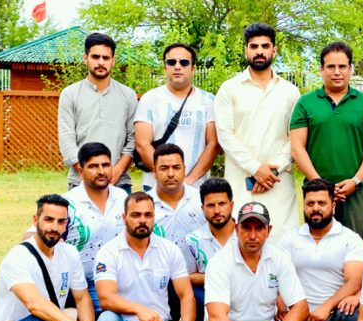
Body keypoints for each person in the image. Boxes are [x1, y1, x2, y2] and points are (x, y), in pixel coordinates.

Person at [95, 192, 197, 321]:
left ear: (154, 217)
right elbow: (105, 298)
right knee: (106, 320)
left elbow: (186, 295)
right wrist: (138, 310)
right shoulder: (109, 251)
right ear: (124, 218)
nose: (142, 220)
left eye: (148, 215)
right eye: (136, 215)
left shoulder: (169, 249)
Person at [214, 23, 300, 241]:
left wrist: (273, 171)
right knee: (241, 243)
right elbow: (225, 135)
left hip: (278, 182)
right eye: (254, 46)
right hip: (241, 181)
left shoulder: (290, 92)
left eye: (265, 46)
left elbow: (297, 137)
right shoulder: (229, 88)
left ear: (274, 50)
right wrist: (254, 168)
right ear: (246, 50)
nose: (259, 51)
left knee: (282, 244)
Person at [290, 41, 363, 240]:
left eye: (342, 66)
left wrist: (356, 181)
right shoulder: (305, 103)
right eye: (331, 67)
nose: (337, 72)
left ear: (350, 69)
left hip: (353, 191)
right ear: (321, 69)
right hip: (317, 192)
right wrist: (321, 184)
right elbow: (297, 148)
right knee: (316, 245)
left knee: (354, 245)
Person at [278, 178, 363, 321]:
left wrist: (326, 307)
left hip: (333, 316)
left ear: (333, 206)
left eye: (322, 203)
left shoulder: (350, 239)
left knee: (351, 311)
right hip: (297, 317)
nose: (315, 208)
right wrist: (282, 303)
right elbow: (277, 277)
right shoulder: (289, 239)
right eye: (310, 203)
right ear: (303, 206)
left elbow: (354, 282)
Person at [58, 32, 137, 194]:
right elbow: (67, 138)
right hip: (79, 182)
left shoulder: (128, 95)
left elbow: (133, 139)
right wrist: (87, 171)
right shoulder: (70, 94)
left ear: (113, 61)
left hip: (119, 182)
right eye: (95, 57)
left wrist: (115, 171)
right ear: (85, 58)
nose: (101, 62)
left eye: (106, 58)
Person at [135, 43, 219, 190]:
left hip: (196, 186)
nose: (177, 66)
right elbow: (142, 144)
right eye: (171, 62)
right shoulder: (150, 99)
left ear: (193, 68)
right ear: (165, 67)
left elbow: (213, 144)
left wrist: (189, 180)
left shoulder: (208, 101)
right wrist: (165, 175)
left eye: (184, 62)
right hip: (156, 186)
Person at [61, 142, 127, 316]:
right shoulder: (68, 203)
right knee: (115, 315)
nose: (101, 171)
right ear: (80, 171)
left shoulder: (122, 197)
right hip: (84, 282)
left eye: (105, 165)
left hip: (123, 278)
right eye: (93, 166)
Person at [146, 143, 206, 321]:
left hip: (194, 280)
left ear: (184, 169)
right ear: (154, 171)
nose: (171, 174)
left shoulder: (201, 201)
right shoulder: (144, 206)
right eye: (164, 168)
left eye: (176, 168)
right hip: (154, 280)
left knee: (199, 298)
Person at [182, 177, 236, 321]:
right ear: (203, 208)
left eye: (222, 204)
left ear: (231, 205)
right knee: (194, 295)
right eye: (211, 205)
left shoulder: (246, 234)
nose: (217, 210)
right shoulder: (193, 240)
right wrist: (220, 279)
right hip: (209, 298)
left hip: (245, 296)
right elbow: (187, 277)